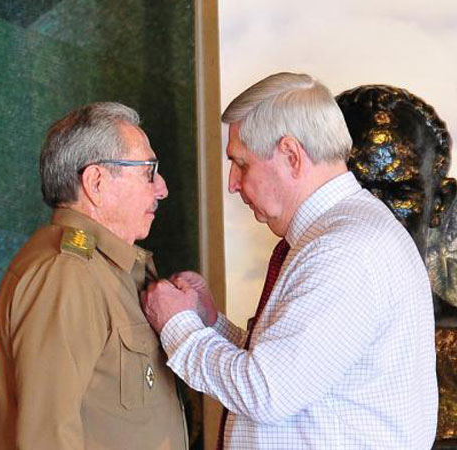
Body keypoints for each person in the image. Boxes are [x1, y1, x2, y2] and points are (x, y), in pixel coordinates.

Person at [140, 72, 438, 449]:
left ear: (292, 156)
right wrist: (211, 324)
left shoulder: (343, 249)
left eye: (241, 164)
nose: (232, 183)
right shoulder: (344, 236)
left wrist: (177, 326)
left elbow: (266, 391)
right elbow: (298, 369)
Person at [0, 102, 188, 449]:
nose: (162, 189)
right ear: (96, 182)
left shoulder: (110, 268)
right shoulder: (66, 275)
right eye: (148, 172)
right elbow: (46, 437)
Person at [336, 84, 457, 441]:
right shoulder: (286, 325)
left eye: (400, 193)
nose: (372, 213)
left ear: (438, 203)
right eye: (357, 188)